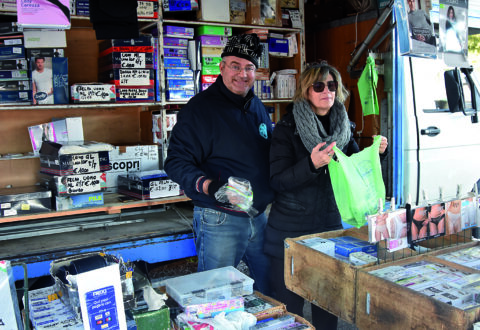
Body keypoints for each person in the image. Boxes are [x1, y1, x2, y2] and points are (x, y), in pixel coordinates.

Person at [264, 61, 387, 329]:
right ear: (306, 90)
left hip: (329, 229)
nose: (326, 91)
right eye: (318, 86)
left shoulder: (343, 128)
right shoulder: (287, 128)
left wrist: (376, 153)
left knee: (327, 308)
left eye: (332, 86)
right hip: (290, 233)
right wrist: (311, 164)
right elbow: (277, 180)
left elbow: (355, 167)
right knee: (289, 313)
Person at [164, 34, 274, 295]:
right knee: (216, 293)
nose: (242, 74)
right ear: (221, 67)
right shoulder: (200, 109)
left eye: (249, 68)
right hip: (220, 219)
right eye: (235, 66)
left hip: (258, 216)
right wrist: (210, 186)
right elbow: (176, 161)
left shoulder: (256, 105)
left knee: (270, 287)